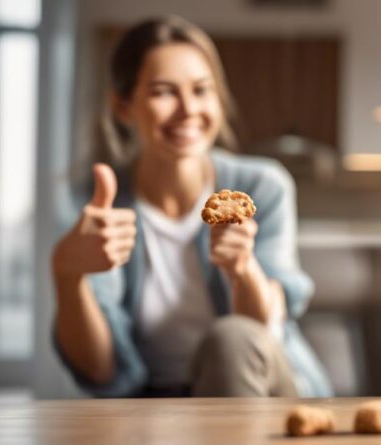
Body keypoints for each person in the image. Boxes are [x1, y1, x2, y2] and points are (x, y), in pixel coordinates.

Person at [50, 16, 332, 398]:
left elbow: (260, 332)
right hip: (152, 411)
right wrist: (68, 274)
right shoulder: (98, 203)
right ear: (122, 106)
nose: (188, 109)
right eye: (164, 92)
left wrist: (243, 269)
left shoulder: (262, 187)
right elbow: (100, 370)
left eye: (202, 91)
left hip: (266, 392)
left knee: (231, 339)